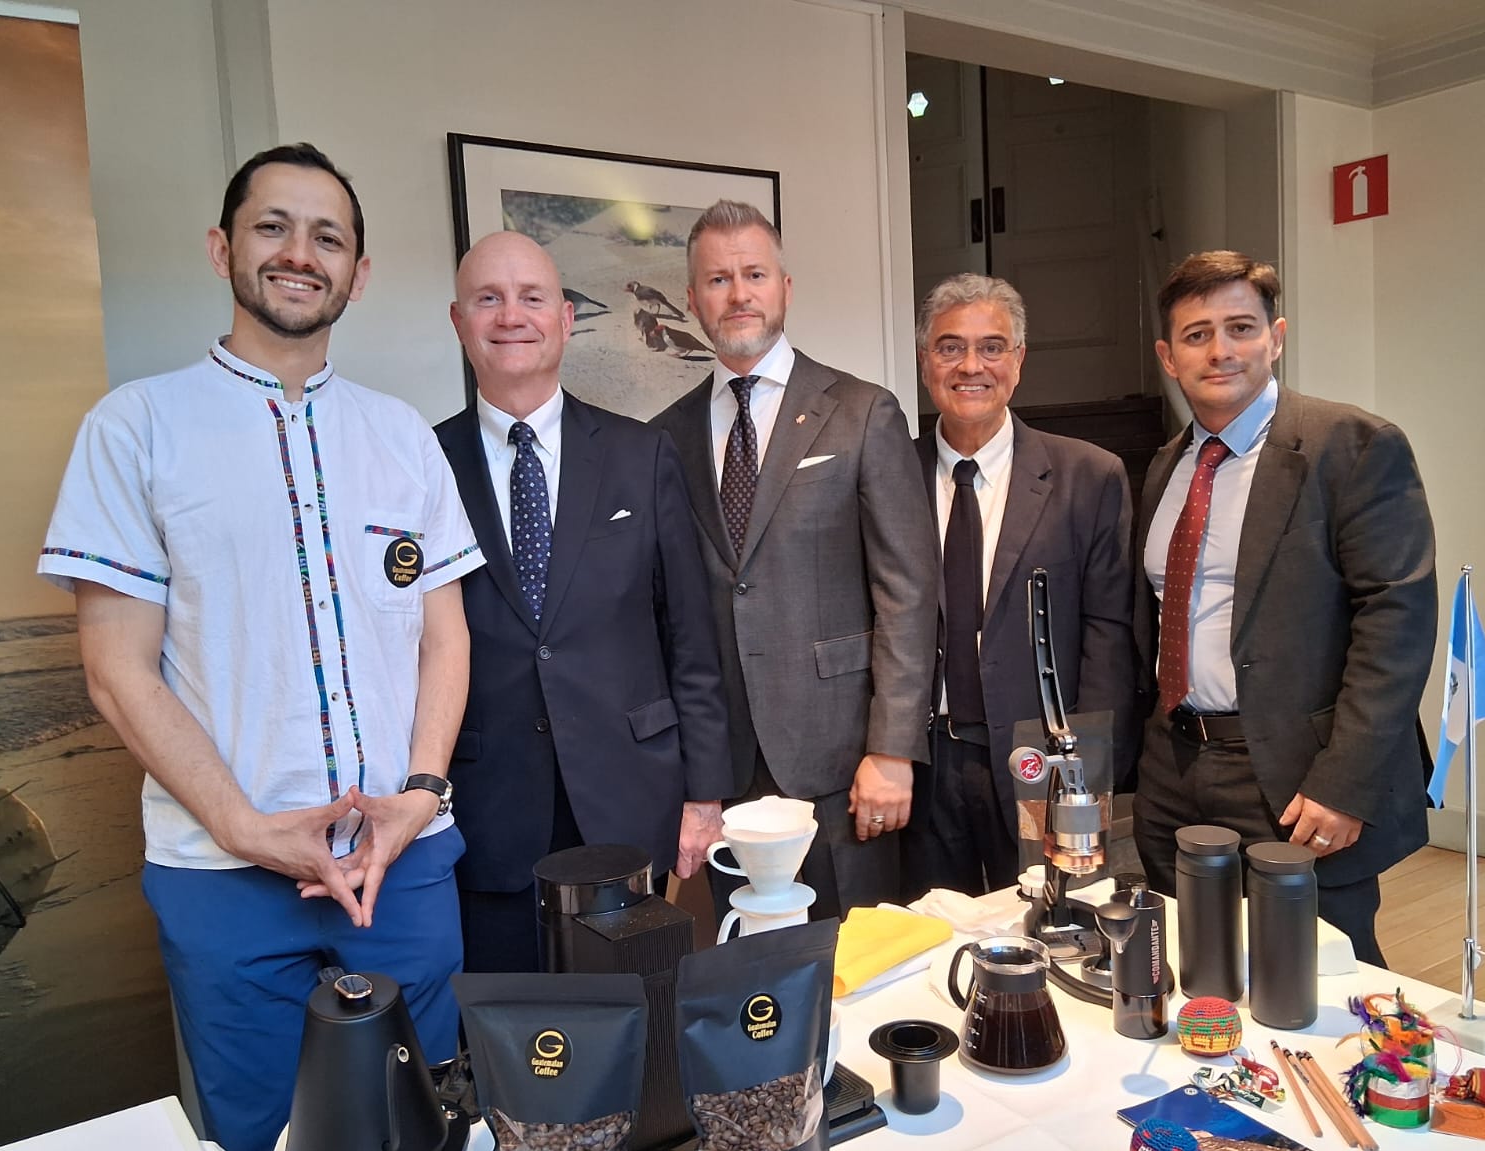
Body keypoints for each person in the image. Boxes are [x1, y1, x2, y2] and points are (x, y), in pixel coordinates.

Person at [38, 144, 482, 1151]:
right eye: (272, 226)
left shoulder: (401, 436)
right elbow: (116, 671)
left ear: (357, 273)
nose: (299, 253)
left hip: (401, 862)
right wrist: (243, 826)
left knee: (430, 1135)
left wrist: (420, 795)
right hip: (224, 874)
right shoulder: (137, 428)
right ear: (222, 248)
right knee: (267, 1148)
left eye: (328, 237)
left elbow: (445, 637)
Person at [437, 232, 731, 972]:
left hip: (630, 798)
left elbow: (690, 640)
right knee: (511, 1025)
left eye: (532, 298)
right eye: (489, 299)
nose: (512, 316)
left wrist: (705, 796)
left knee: (635, 1015)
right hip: (486, 805)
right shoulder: (422, 463)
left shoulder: (642, 455)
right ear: (459, 321)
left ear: (565, 318)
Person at [1133, 250, 1436, 966]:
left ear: (1276, 337)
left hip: (1297, 777)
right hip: (1175, 766)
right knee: (1193, 969)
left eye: (1241, 327)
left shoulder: (1353, 447)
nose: (1221, 350)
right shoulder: (1165, 466)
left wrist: (1345, 782)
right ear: (1168, 357)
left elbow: (1395, 624)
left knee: (1316, 980)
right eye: (1197, 334)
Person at [653, 200, 937, 915]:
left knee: (857, 961)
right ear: (692, 299)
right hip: (726, 768)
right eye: (717, 280)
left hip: (844, 765)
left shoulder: (862, 412)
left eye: (754, 274)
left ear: (784, 287)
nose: (738, 294)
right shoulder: (665, 437)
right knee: (751, 963)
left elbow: (907, 592)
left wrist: (893, 749)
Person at [904, 274, 1138, 898]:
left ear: (1019, 360)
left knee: (1054, 917)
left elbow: (1108, 634)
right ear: (925, 360)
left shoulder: (1089, 476)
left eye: (992, 347)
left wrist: (1090, 769)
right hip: (925, 762)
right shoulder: (890, 472)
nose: (970, 366)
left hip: (1044, 761)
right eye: (950, 347)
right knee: (934, 928)